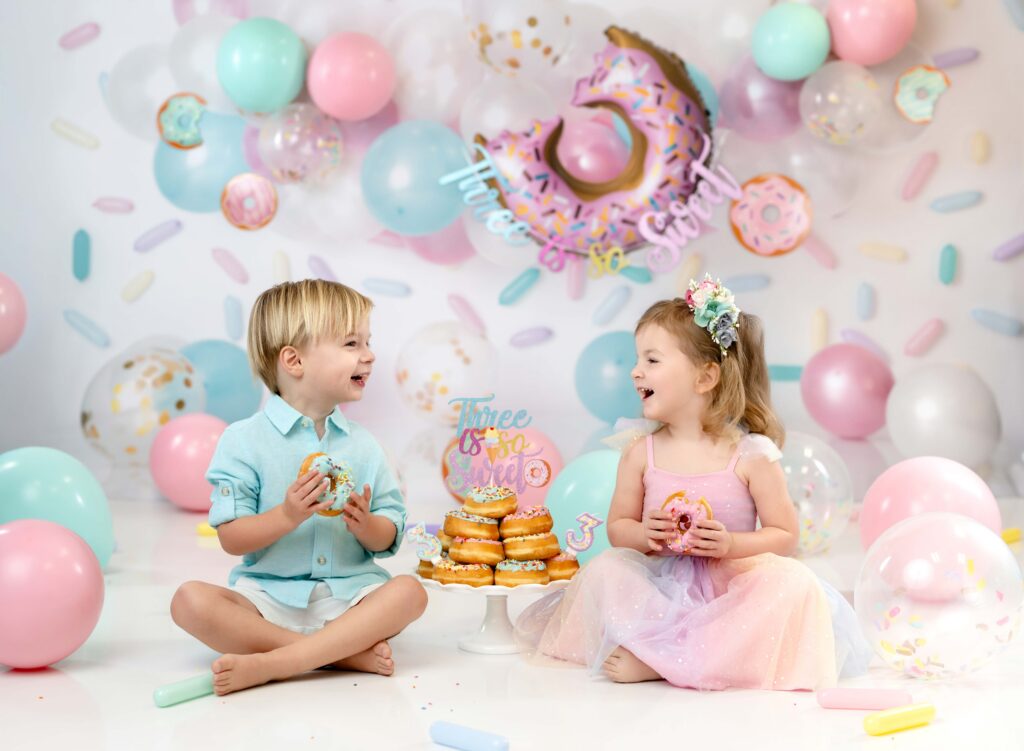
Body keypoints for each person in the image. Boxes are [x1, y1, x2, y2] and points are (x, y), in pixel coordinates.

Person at [516, 275, 869, 690]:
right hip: (662, 588)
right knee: (607, 569)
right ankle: (673, 653)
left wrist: (730, 544)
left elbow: (785, 536)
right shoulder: (640, 452)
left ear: (704, 378)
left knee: (793, 582)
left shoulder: (750, 455)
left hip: (729, 591)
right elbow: (618, 529)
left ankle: (664, 660)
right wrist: (645, 534)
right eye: (638, 359)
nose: (635, 371)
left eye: (652, 360)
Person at [170, 279, 427, 696]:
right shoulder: (243, 440)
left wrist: (367, 526)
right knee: (189, 601)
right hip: (268, 601)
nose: (369, 355)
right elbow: (232, 539)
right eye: (351, 343)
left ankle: (277, 662)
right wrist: (287, 515)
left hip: (351, 602)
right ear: (293, 360)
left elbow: (388, 538)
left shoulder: (365, 445)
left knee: (410, 592)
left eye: (367, 341)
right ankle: (338, 656)